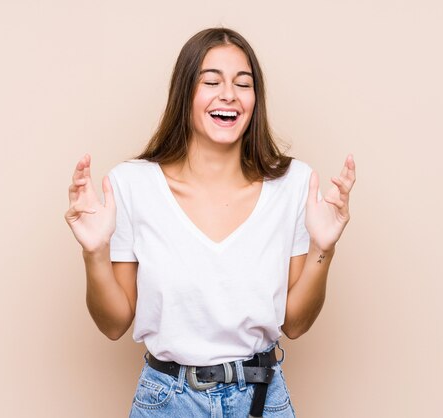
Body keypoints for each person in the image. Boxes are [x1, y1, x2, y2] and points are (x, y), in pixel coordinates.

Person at [64, 27, 355, 418]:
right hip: (167, 401)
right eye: (211, 81)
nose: (229, 95)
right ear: (185, 93)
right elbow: (114, 324)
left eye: (243, 83)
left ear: (256, 99)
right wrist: (95, 252)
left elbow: (296, 324)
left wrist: (324, 248)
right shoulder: (132, 184)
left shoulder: (294, 184)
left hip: (261, 399)